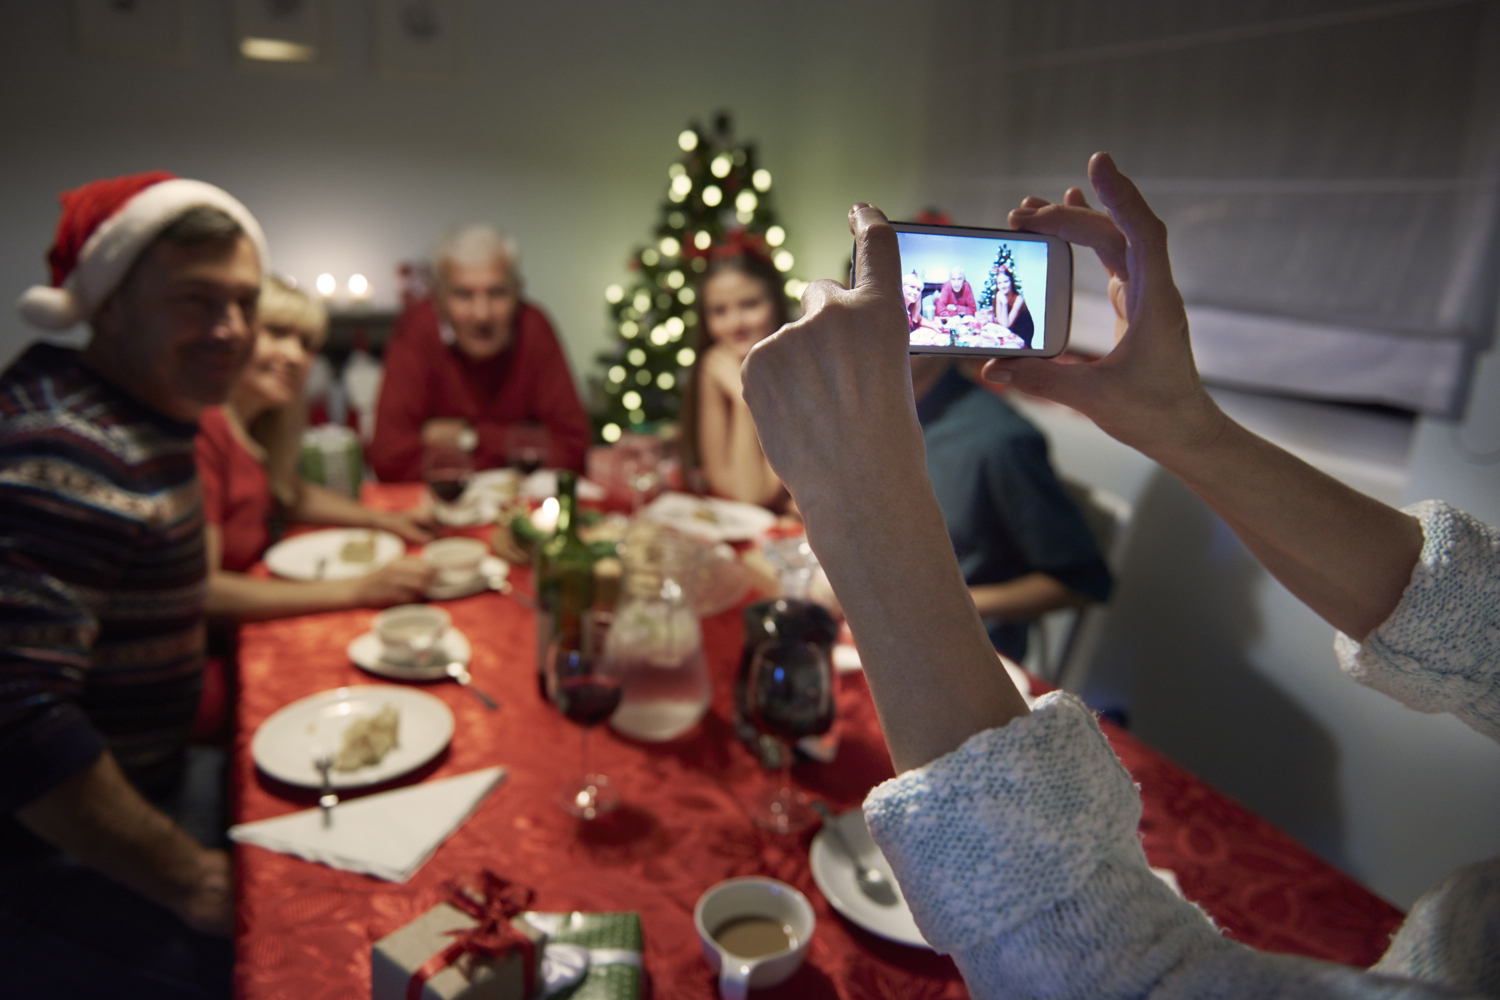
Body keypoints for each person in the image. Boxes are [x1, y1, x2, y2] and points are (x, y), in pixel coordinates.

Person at [740, 155, 1497, 998]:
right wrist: (1186, 427)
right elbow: (1472, 621)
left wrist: (861, 502)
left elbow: (1124, 973)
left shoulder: (997, 441)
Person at [1, 172, 269, 997]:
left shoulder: (147, 412)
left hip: (149, 785)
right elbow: (19, 725)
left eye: (245, 301)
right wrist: (191, 879)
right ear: (108, 302)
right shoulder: (69, 450)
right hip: (49, 865)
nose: (231, 330)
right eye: (195, 300)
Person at [198, 276, 435, 622]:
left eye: (307, 344)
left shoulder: (254, 427)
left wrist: (385, 520)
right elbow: (202, 592)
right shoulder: (206, 431)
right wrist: (358, 590)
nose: (295, 355)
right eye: (277, 333)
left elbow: (286, 491)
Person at [910, 355, 1112, 661]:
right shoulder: (872, 411)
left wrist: (947, 606)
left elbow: (1082, 583)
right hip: (878, 629)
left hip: (956, 654)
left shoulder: (1001, 441)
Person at [368, 224, 591, 481]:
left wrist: (470, 436)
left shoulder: (534, 327)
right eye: (463, 295)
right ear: (439, 300)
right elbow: (389, 461)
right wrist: (519, 443)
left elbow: (574, 450)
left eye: (497, 293)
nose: (482, 314)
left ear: (518, 292)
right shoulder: (416, 328)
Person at [678, 250, 790, 509]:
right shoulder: (716, 365)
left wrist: (744, 398)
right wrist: (743, 402)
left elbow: (754, 495)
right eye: (719, 311)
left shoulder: (796, 372)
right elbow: (730, 485)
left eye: (750, 304)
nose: (735, 323)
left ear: (776, 303)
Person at [991, 267, 1033, 343]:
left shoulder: (1019, 299)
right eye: (999, 283)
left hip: (1021, 335)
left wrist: (1004, 303)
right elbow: (1001, 322)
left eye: (1006, 281)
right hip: (1008, 332)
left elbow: (1006, 325)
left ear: (1011, 282)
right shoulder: (999, 295)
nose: (1002, 286)